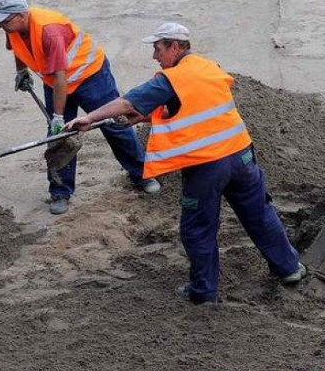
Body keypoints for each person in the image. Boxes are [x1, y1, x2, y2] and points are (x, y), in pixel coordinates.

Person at [64, 22, 307, 304]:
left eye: (158, 49)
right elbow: (194, 105)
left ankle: (203, 292)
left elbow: (126, 102)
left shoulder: (169, 79)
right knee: (260, 214)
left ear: (174, 46)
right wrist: (147, 117)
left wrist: (88, 118)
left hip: (206, 165)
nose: (155, 56)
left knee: (198, 228)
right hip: (241, 154)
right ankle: (289, 268)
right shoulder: (210, 67)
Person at [0, 0, 161, 215]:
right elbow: (17, 47)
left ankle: (142, 174)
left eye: (4, 20)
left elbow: (61, 77)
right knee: (60, 137)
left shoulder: (50, 32)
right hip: (55, 81)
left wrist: (58, 116)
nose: (1, 25)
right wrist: (22, 71)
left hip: (90, 77)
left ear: (21, 15)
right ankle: (60, 191)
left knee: (113, 124)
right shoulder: (14, 27)